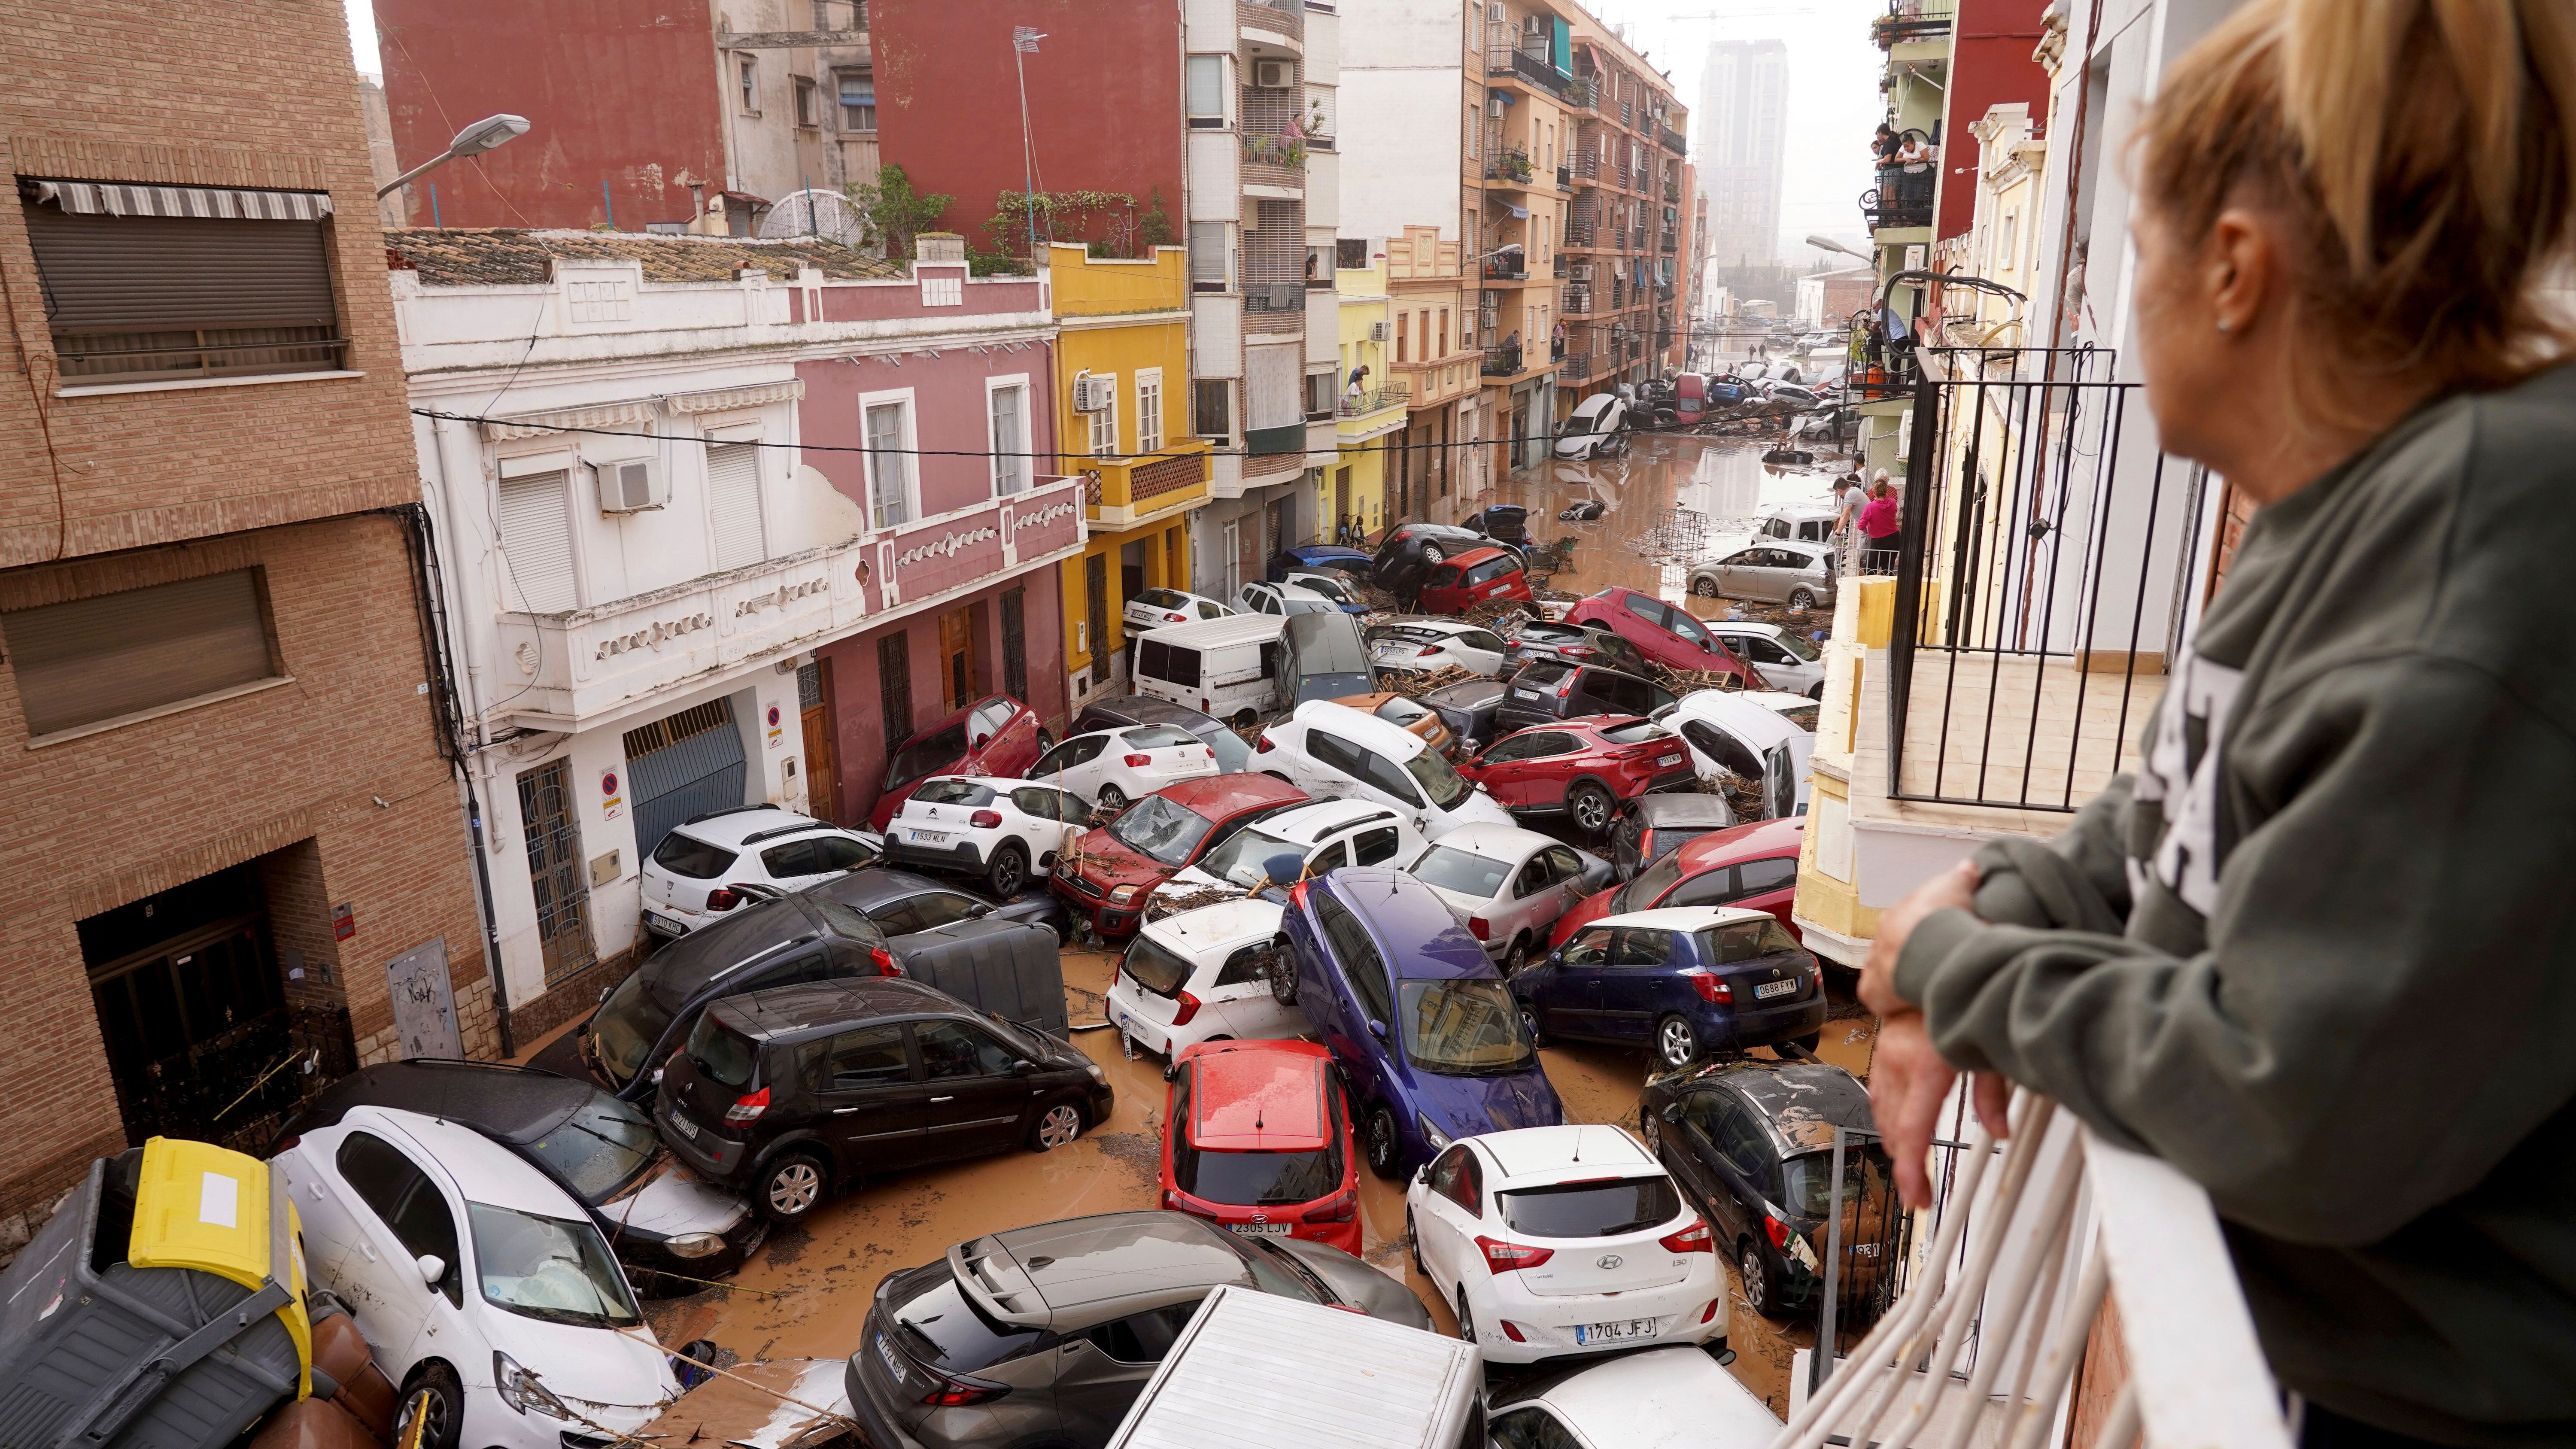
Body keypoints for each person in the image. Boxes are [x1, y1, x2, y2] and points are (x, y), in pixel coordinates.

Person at [1856, 3, 2576, 1446]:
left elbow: (2289, 1107)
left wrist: (1955, 964)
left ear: (2235, 271)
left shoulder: (2478, 561)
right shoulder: (2347, 515)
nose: (2122, 305)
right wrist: (2001, 891)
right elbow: (2172, 800)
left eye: (2134, 255)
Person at [1857, 477, 1900, 571]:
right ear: (1886, 490)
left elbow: (1861, 525)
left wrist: (1866, 527)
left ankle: (1874, 585)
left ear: (1874, 492)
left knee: (1870, 569)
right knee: (1888, 568)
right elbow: (1895, 513)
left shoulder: (1870, 507)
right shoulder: (1893, 503)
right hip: (1894, 538)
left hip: (1878, 541)